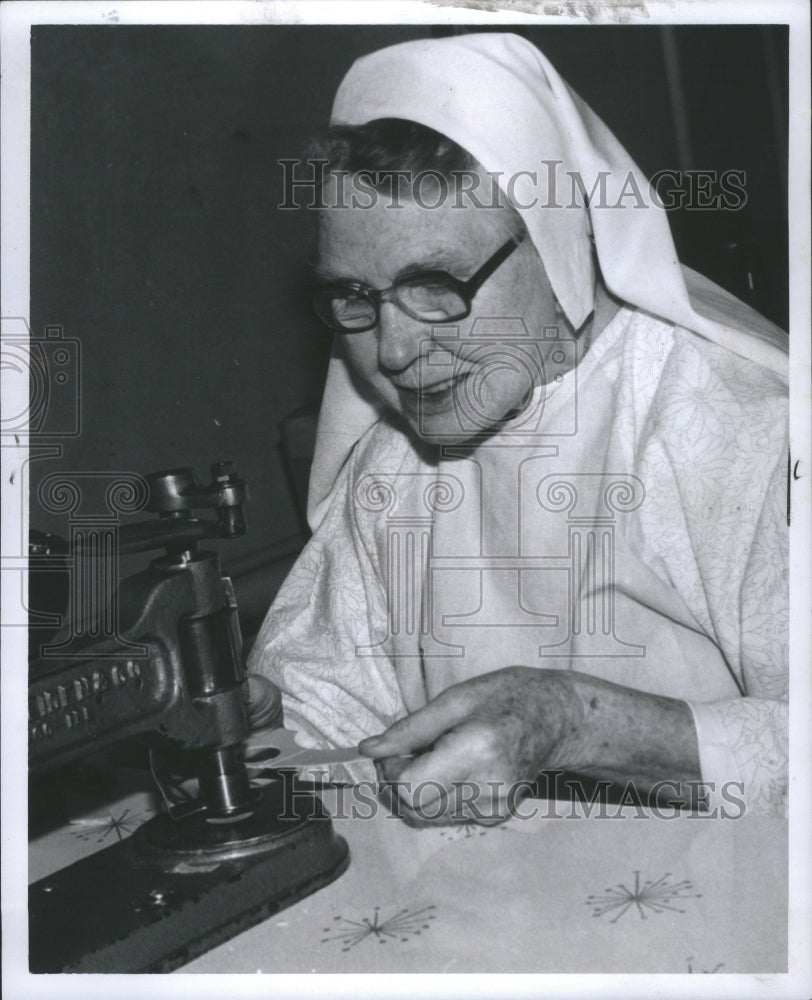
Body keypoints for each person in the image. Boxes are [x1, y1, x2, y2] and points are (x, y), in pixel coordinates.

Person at [248, 33, 788, 821]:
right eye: (355, 297)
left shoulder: (729, 427)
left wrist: (575, 724)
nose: (392, 353)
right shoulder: (393, 462)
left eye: (435, 285)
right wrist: (271, 741)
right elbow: (324, 713)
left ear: (561, 242)